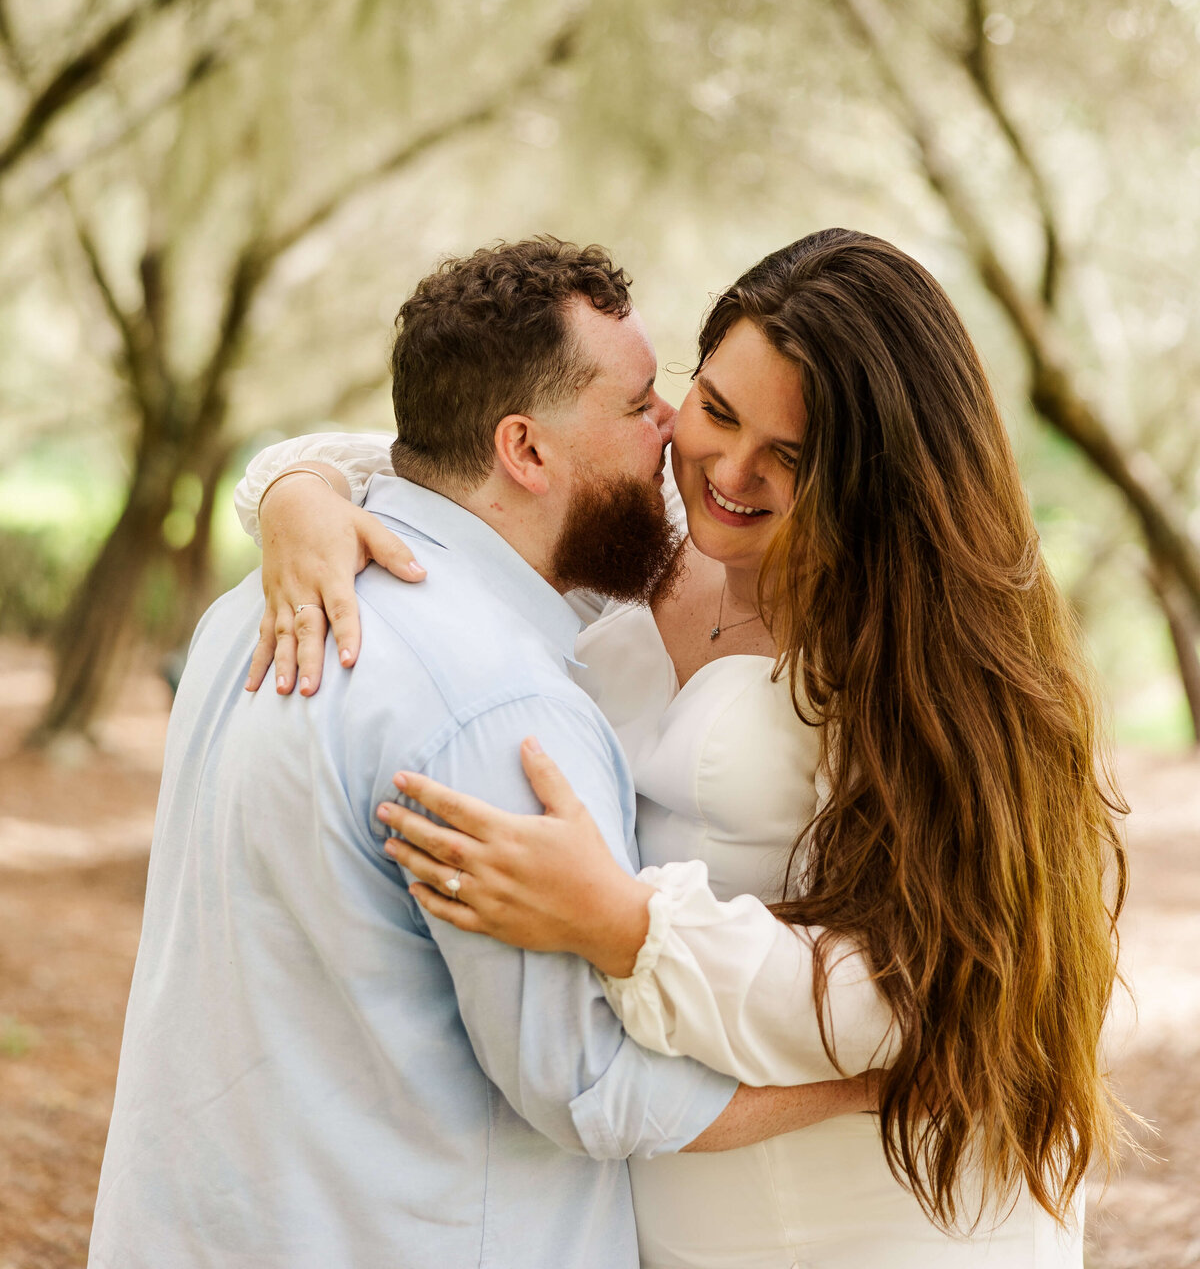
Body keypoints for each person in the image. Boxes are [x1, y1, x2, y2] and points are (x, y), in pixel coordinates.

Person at [241, 228, 1128, 1268]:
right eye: (713, 407)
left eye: (790, 458)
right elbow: (469, 455)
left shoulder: (922, 652)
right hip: (676, 1211)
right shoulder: (658, 527)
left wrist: (629, 927)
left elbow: (932, 982)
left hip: (883, 1213)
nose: (731, 472)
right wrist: (299, 496)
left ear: (876, 477)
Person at [88, 239, 877, 1269]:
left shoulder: (252, 613)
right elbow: (588, 1085)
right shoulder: (505, 710)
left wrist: (299, 485)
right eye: (643, 406)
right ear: (527, 450)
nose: (674, 431)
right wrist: (867, 1086)